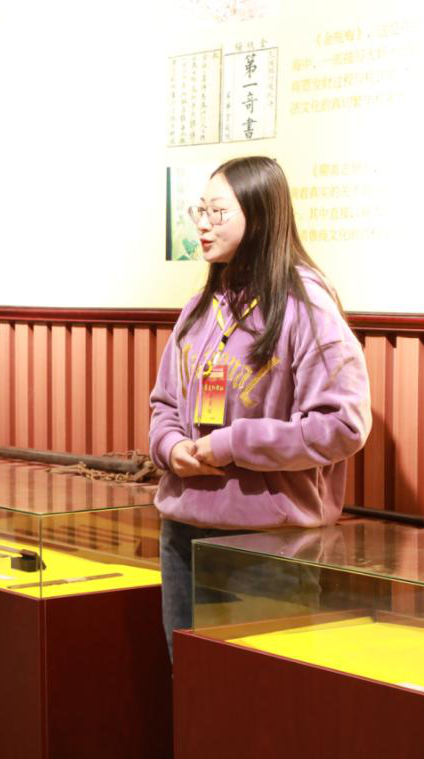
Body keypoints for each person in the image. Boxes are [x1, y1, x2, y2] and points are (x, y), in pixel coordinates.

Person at [148, 155, 371, 658]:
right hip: (183, 531)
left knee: (257, 695)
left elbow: (342, 424)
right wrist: (170, 446)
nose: (203, 224)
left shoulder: (305, 305)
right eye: (199, 211)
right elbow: (163, 402)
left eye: (218, 212)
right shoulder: (200, 306)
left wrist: (233, 444)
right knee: (190, 683)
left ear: (261, 215)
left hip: (268, 542)